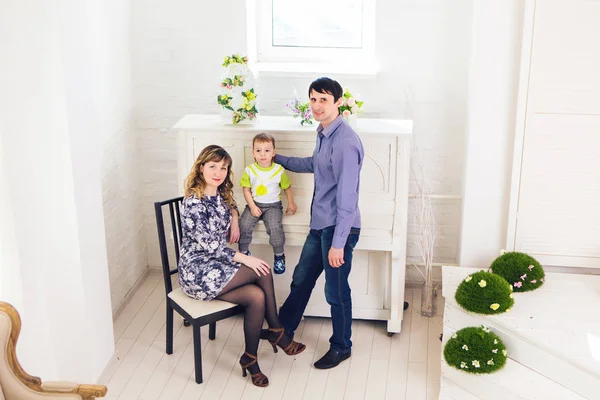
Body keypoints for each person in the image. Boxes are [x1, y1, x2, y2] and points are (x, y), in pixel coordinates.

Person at [177, 144, 306, 387]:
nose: (218, 172)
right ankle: (278, 331)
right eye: (213, 166)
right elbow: (211, 246)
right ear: (201, 167)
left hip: (218, 267)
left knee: (256, 297)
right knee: (262, 268)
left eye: (223, 168)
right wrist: (245, 258)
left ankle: (250, 358)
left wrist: (235, 218)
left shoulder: (220, 193)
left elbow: (233, 205)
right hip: (197, 271)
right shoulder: (193, 202)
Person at [267, 77, 364, 369]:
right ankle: (281, 331)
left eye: (324, 99)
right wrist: (276, 158)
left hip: (338, 229)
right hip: (320, 224)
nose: (317, 106)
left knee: (335, 292)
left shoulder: (346, 142)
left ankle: (342, 346)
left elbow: (348, 199)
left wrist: (338, 245)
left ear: (338, 102)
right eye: (313, 99)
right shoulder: (323, 133)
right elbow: (313, 164)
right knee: (302, 280)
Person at [238, 133, 297, 274]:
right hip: (255, 203)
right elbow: (246, 190)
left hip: (273, 206)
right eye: (258, 151)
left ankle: (279, 255)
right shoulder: (250, 170)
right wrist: (252, 206)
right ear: (253, 153)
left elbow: (287, 187)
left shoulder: (279, 170)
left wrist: (291, 203)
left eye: (267, 150)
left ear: (273, 153)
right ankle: (243, 253)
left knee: (275, 228)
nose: (262, 154)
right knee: (244, 225)